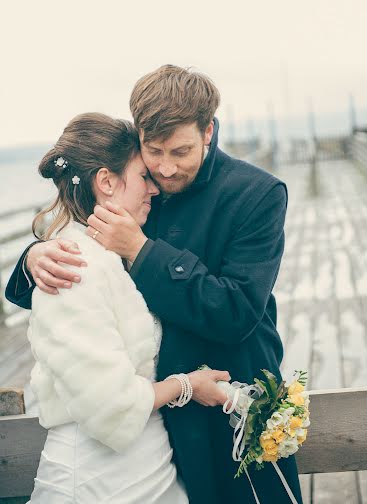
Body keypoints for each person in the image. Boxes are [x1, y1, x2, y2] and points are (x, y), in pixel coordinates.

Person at [7, 65, 303, 504]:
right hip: (156, 421)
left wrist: (142, 252)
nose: (164, 170)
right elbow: (77, 252)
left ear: (208, 131)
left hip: (229, 408)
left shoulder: (255, 194)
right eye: (154, 151)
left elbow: (236, 312)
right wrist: (31, 258)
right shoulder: (138, 186)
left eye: (180, 151)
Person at [20, 112, 230, 503]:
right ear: (106, 182)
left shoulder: (109, 253)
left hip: (146, 466)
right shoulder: (73, 266)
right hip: (99, 480)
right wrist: (187, 385)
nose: (154, 187)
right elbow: (111, 405)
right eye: (142, 176)